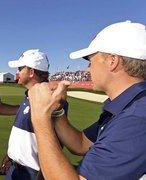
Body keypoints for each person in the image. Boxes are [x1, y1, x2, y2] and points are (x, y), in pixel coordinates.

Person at [28, 20, 146, 179]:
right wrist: (57, 111)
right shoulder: (129, 106)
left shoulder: (135, 119)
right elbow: (81, 144)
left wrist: (40, 118)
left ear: (113, 61)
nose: (88, 69)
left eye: (91, 61)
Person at [4, 49, 68, 180]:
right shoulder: (30, 95)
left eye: (20, 68)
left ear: (31, 72)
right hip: (15, 167)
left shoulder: (51, 98)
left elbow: (57, 143)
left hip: (32, 173)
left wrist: (42, 175)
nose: (17, 72)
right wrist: (10, 155)